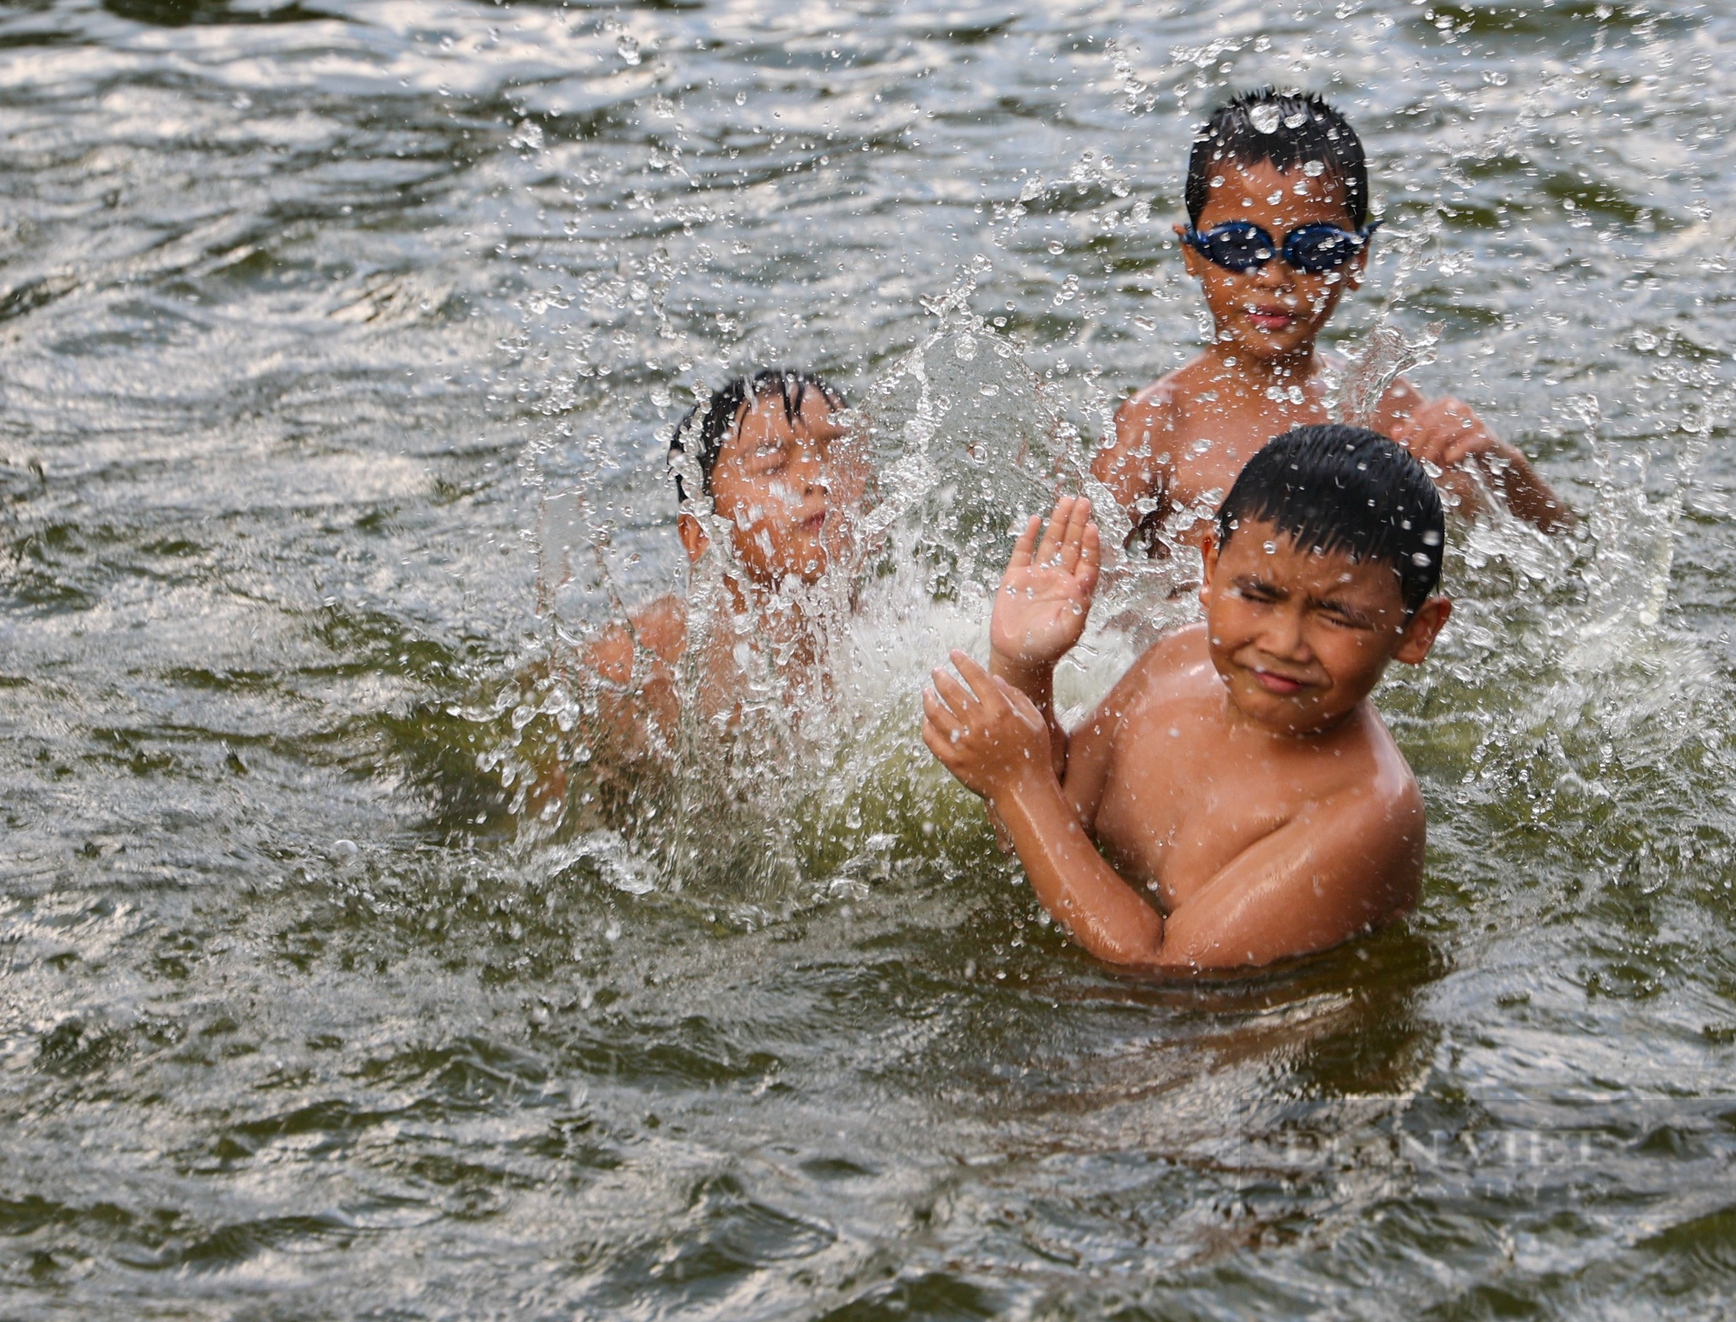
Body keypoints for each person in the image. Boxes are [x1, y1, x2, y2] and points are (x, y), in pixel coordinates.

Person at [924, 425, 1451, 972]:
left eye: (1336, 616)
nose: (1283, 643)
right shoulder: (1177, 662)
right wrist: (1025, 667)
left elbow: (1165, 969)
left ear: (1418, 631)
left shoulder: (1369, 808)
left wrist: (1017, 781)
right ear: (1210, 568)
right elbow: (1048, 827)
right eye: (1257, 594)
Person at [1094, 89, 1569, 555]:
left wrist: (1499, 462)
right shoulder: (1160, 422)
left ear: (1356, 260)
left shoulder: (1386, 409)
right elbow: (1075, 582)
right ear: (1192, 253)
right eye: (1239, 245)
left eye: (1314, 249)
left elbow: (1563, 552)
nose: (1275, 276)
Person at [529, 369, 866, 818]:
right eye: (772, 462)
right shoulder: (637, 672)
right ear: (701, 532)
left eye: (836, 450)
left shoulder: (898, 640)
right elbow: (550, 810)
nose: (816, 476)